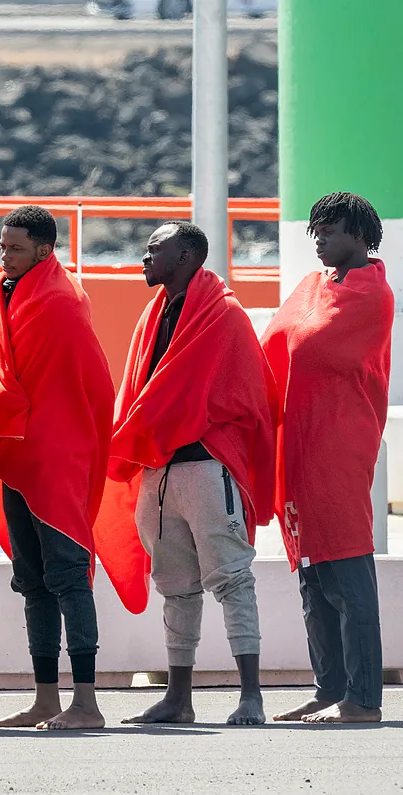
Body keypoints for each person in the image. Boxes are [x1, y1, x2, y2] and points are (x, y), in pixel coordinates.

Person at [97, 222, 276, 726]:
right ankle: (179, 699)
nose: (145, 255)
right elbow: (140, 392)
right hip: (159, 470)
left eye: (157, 248)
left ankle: (252, 697)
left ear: (188, 256)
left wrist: (187, 416)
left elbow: (248, 397)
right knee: (174, 585)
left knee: (233, 578)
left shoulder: (225, 315)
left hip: (205, 465)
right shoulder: (153, 316)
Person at [0, 205, 118, 731]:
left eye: (15, 248)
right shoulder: (11, 293)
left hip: (56, 457)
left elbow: (91, 386)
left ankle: (87, 703)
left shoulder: (61, 302)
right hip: (20, 456)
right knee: (32, 581)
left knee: (67, 575)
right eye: (2, 247)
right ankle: (45, 698)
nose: (5, 255)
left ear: (44, 249)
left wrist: (62, 439)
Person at [261, 192, 391, 724]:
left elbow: (318, 348)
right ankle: (328, 687)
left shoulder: (371, 297)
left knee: (347, 571)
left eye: (331, 232)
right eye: (315, 232)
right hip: (299, 445)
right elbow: (277, 342)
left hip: (339, 445)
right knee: (312, 574)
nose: (320, 242)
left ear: (360, 236)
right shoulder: (313, 286)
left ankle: (363, 698)